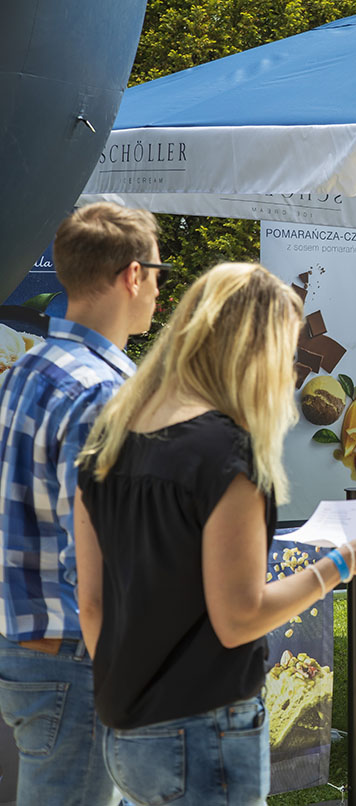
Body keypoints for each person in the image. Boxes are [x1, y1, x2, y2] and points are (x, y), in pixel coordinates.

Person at [73, 263, 356, 805]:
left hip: (124, 728)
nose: (291, 374)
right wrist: (341, 564)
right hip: (204, 731)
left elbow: (91, 605)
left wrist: (129, 692)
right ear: (256, 353)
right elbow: (239, 618)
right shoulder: (227, 455)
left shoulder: (108, 440)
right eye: (287, 354)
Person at [0, 202, 165, 806]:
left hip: (28, 646)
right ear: (133, 275)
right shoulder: (103, 392)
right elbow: (103, 566)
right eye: (159, 273)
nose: (159, 290)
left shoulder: (24, 369)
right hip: (80, 657)